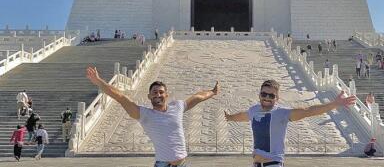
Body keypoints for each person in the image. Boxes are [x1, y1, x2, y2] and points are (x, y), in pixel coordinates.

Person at [86, 66, 219, 166]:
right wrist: (98, 81)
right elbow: (120, 97)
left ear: (166, 95)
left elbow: (198, 97)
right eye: (154, 92)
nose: (158, 94)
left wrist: (213, 92)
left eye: (161, 92)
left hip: (183, 164)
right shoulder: (144, 115)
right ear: (149, 96)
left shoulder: (177, 107)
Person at [224, 79, 356, 166]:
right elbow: (243, 116)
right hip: (256, 164)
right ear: (259, 95)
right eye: (264, 94)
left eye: (271, 96)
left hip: (273, 163)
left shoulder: (281, 113)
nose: (267, 98)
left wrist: (335, 104)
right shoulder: (253, 110)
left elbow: (308, 110)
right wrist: (229, 117)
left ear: (277, 98)